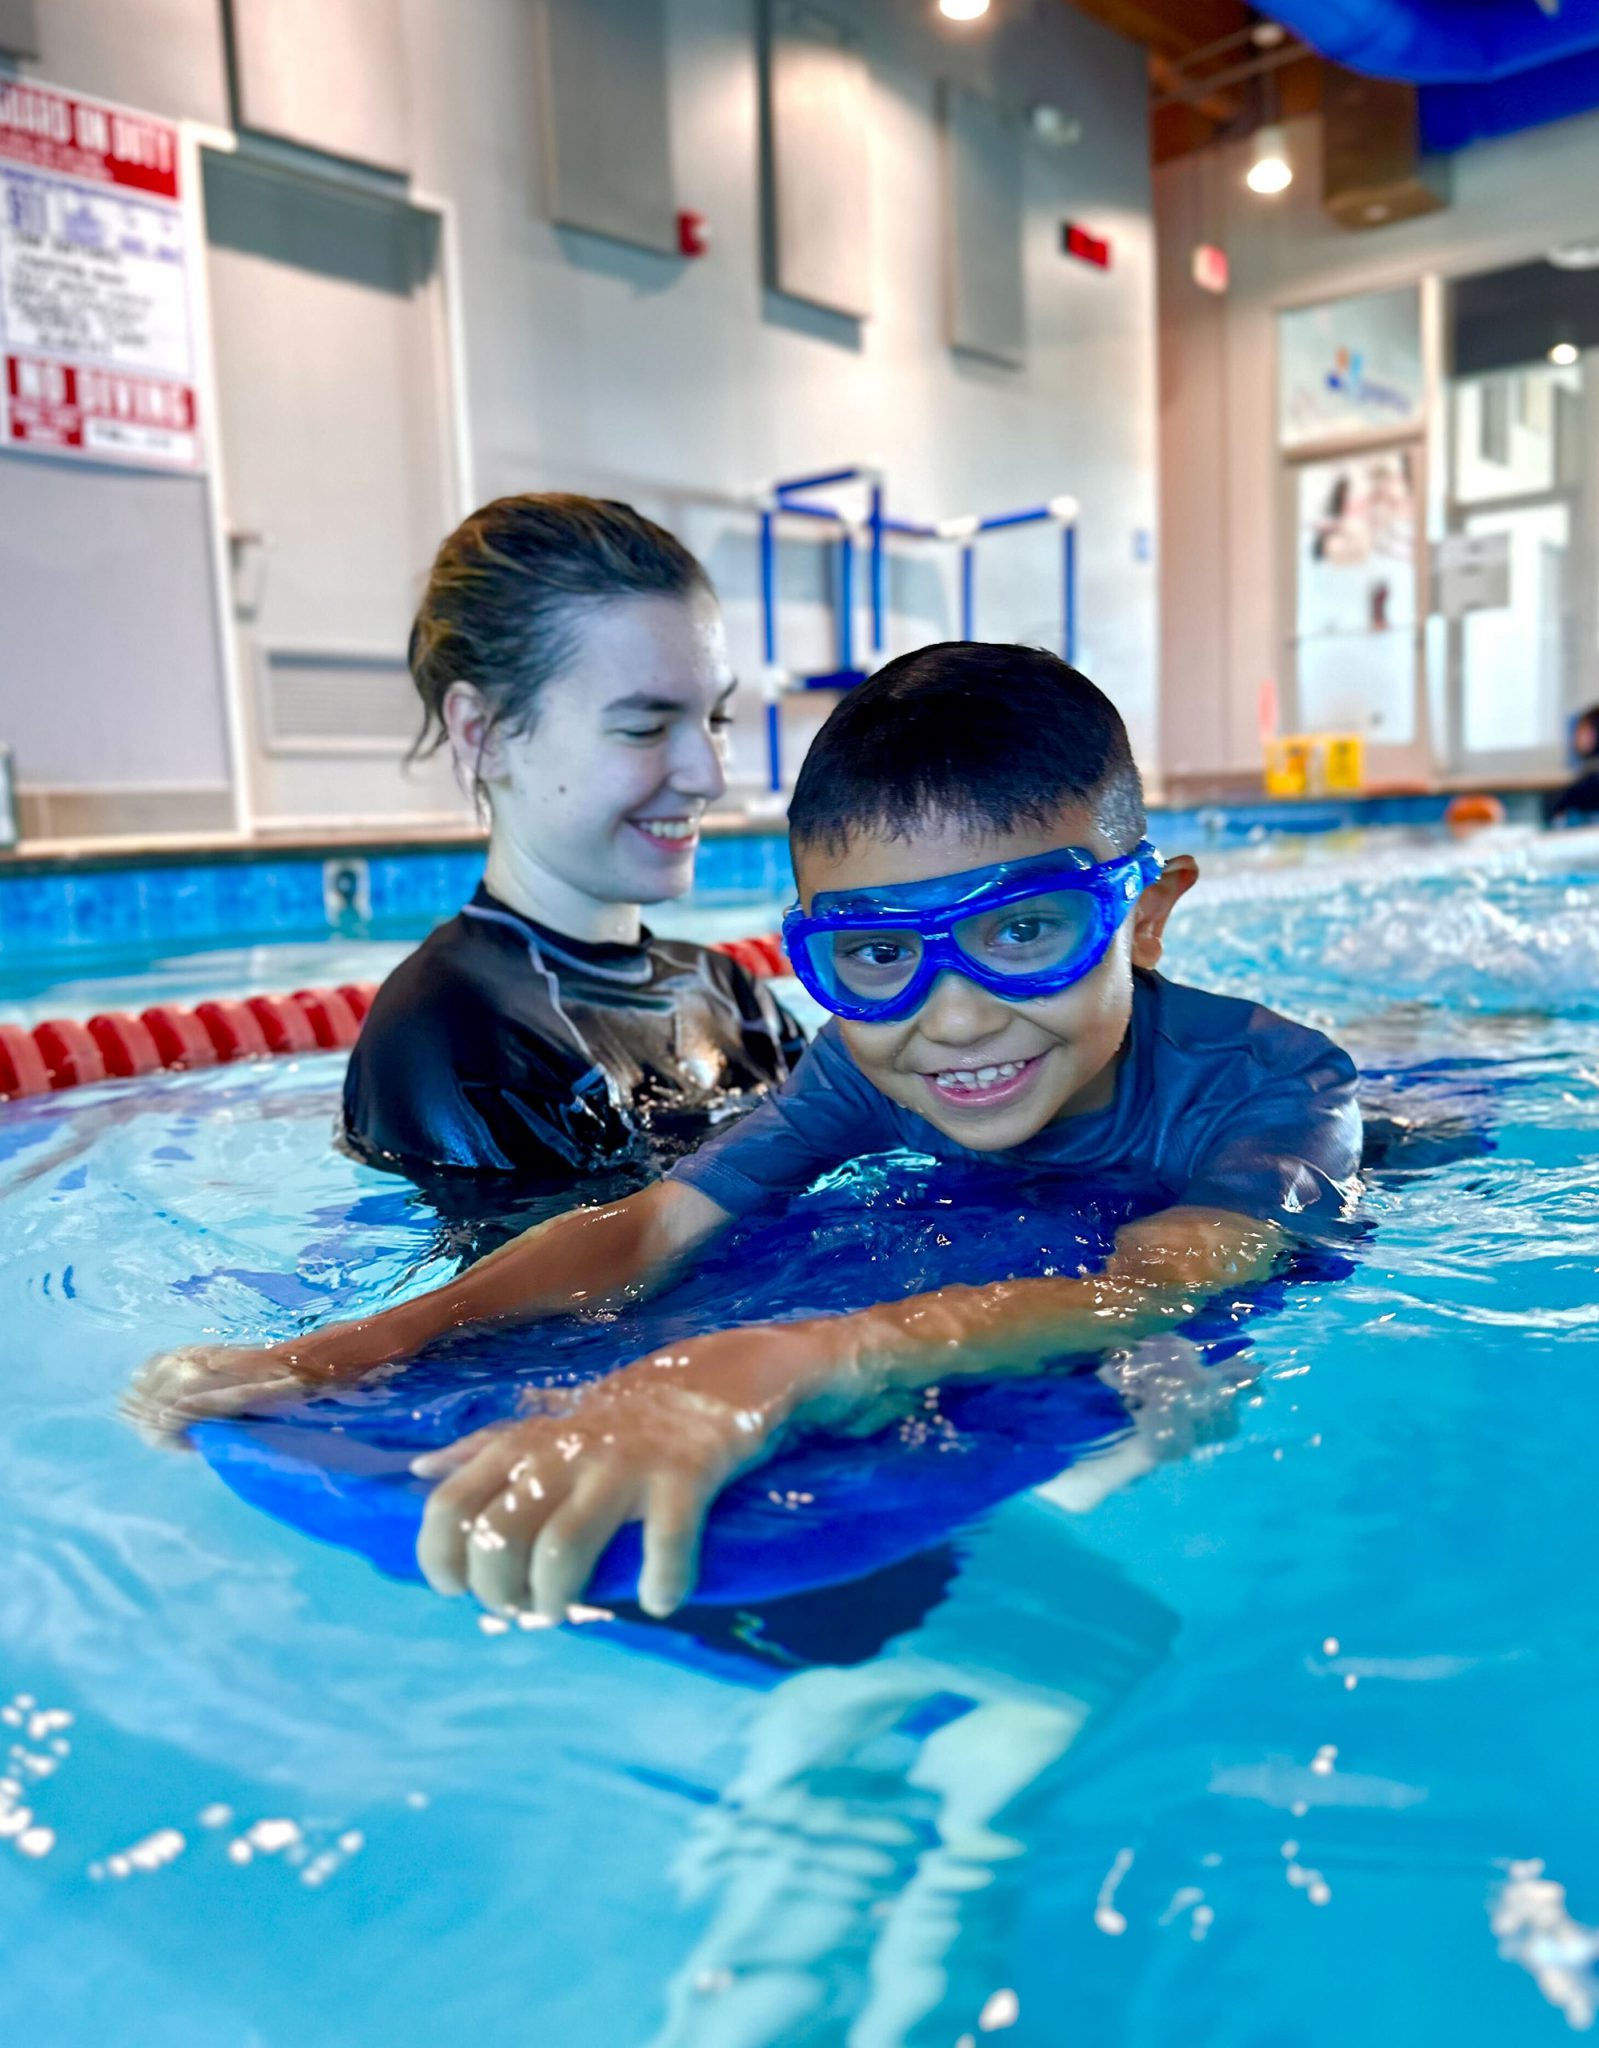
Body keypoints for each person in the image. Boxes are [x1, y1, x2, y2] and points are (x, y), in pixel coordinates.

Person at [131, 644, 1361, 1617]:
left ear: (1145, 915)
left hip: (1330, 1176)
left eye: (1028, 928)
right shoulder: (875, 1063)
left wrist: (795, 1356)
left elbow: (1149, 1287)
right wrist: (368, 1340)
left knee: (1179, 1389)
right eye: (876, 953)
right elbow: (651, 1226)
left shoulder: (1278, 1085)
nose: (957, 1015)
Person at [343, 493, 803, 1183]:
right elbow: (556, 1291)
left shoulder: (731, 995)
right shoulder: (452, 1039)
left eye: (717, 718)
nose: (708, 776)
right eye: (644, 728)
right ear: (484, 733)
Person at [1543, 703, 1599, 824]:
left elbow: (1558, 812)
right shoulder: (1586, 780)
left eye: (1582, 730)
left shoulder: (1589, 784)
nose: (1575, 737)